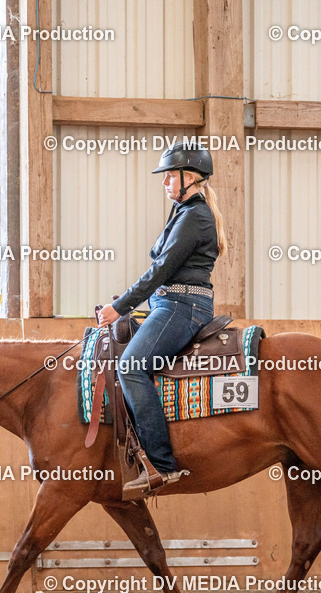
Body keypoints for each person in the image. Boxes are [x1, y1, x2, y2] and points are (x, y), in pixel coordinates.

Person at [96, 142, 227, 495]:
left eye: (170, 176)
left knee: (131, 366)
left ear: (190, 177)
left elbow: (160, 270)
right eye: (166, 176)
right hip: (166, 305)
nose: (165, 182)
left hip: (182, 307)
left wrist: (119, 307)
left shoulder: (194, 216)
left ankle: (161, 466)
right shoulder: (185, 214)